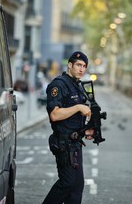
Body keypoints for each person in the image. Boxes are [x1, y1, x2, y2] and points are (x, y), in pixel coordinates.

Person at [42, 51, 94, 204]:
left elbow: (75, 120)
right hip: (64, 144)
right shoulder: (59, 85)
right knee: (67, 183)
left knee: (77, 188)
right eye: (78, 65)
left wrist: (87, 130)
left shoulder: (77, 86)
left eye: (84, 66)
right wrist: (78, 107)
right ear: (70, 65)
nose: (81, 69)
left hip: (76, 144)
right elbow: (55, 115)